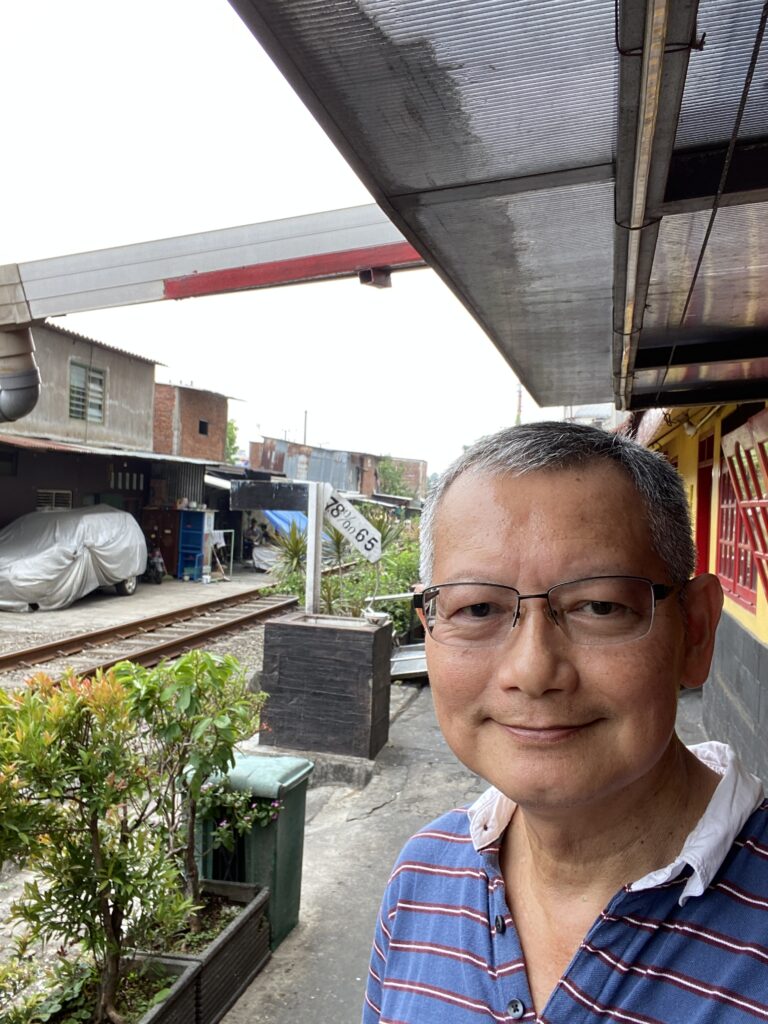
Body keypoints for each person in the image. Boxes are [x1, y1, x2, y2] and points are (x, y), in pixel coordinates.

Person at [363, 421, 767, 1023]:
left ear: (697, 630)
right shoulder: (420, 879)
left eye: (599, 605)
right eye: (477, 608)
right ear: (430, 632)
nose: (532, 670)